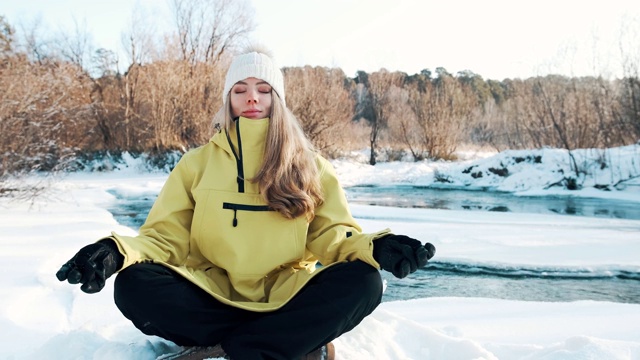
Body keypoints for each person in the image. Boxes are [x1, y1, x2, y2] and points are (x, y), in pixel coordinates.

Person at [56, 51, 436, 360]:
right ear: (229, 99)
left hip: (285, 296)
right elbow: (163, 239)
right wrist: (115, 251)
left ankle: (229, 348)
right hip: (209, 295)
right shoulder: (196, 164)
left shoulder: (310, 166)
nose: (252, 97)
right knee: (133, 285)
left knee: (365, 281)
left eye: (263, 89)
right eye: (240, 89)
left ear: (278, 99)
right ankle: (275, 346)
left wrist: (376, 247)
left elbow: (334, 238)